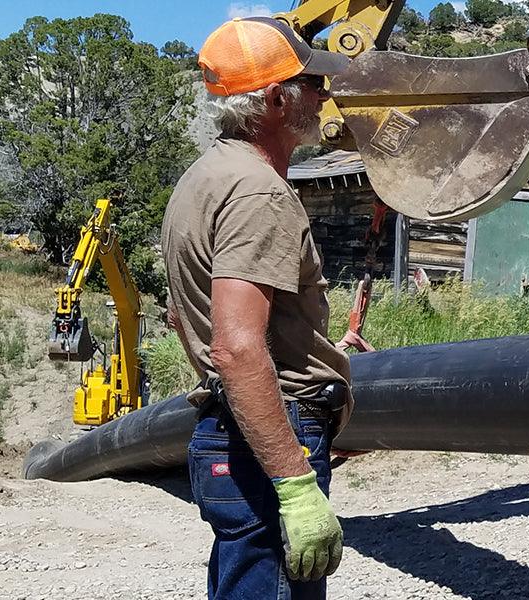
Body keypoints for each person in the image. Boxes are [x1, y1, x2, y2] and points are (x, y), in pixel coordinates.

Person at [161, 16, 354, 600]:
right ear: (275, 99)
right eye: (312, 83)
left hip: (240, 431)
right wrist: (293, 480)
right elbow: (237, 348)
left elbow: (185, 318)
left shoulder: (204, 178)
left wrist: (316, 361)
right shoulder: (258, 191)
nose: (323, 95)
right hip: (269, 443)